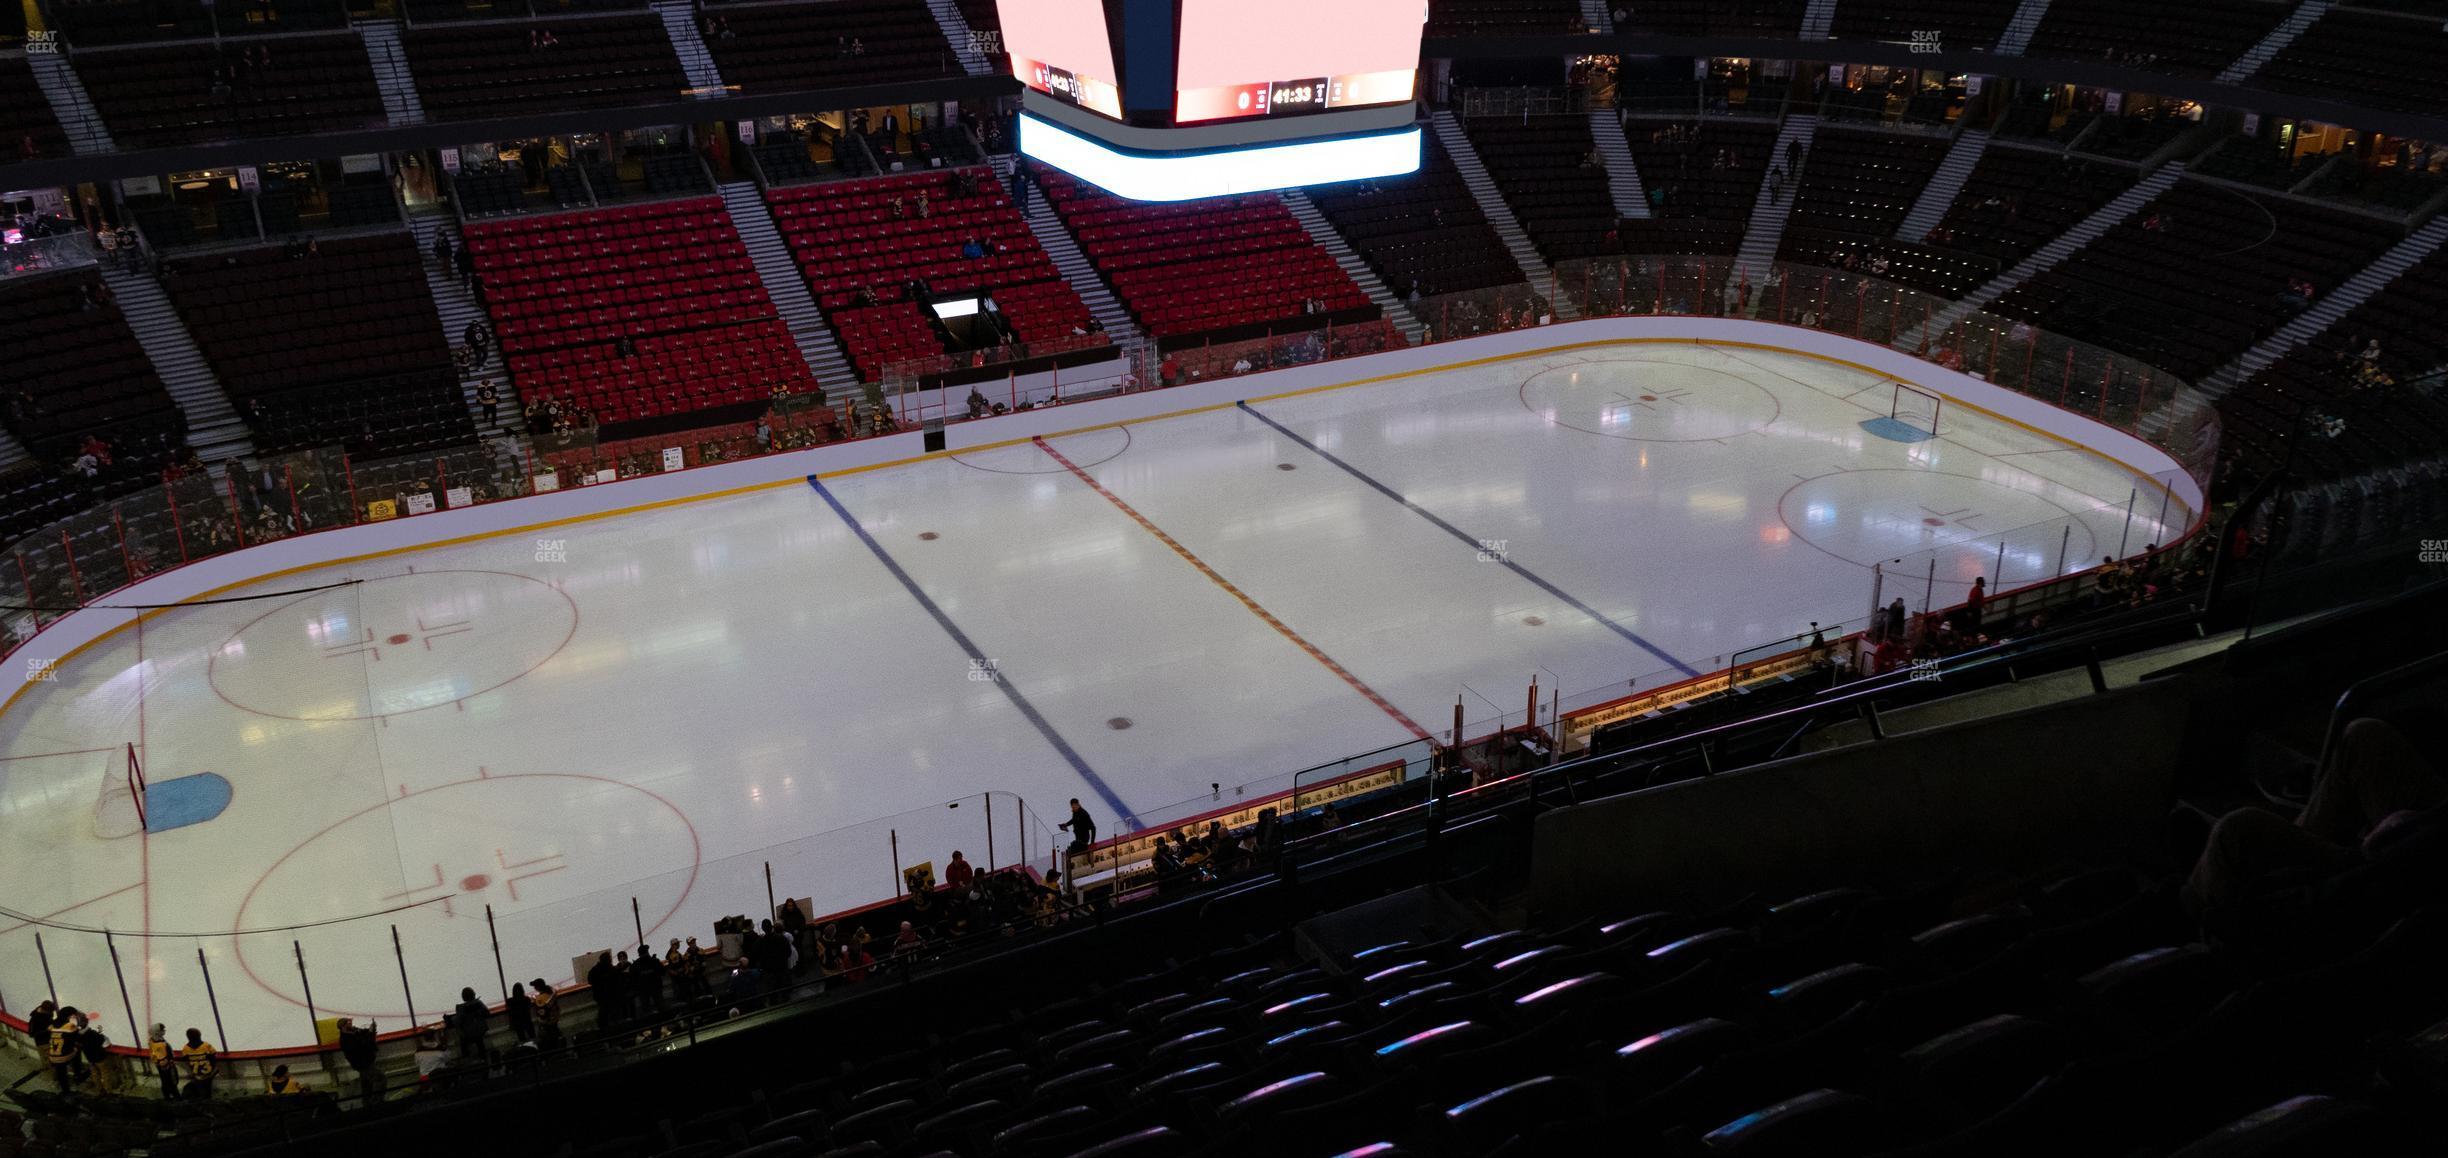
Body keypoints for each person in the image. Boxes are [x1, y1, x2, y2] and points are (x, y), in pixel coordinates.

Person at [2184, 718, 2445, 923]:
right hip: (2427, 831)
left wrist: (2409, 837)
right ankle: (2275, 868)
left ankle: (2193, 919)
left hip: (2412, 868)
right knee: (2363, 736)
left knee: (2236, 831)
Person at [337, 1017, 383, 1102]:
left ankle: (367, 1102)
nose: (351, 1024)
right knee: (380, 1079)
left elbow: (364, 1034)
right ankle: (377, 1102)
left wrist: (371, 1030)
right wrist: (370, 1033)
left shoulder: (353, 1032)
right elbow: (362, 1045)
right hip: (363, 1064)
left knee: (366, 1084)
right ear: (343, 1026)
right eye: (349, 1023)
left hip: (364, 1062)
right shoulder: (345, 1040)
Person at [44, 1006, 83, 1093]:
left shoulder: (52, 1024)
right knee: (77, 1051)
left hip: (52, 1057)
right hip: (64, 1056)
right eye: (73, 1016)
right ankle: (77, 1075)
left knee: (61, 1072)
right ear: (68, 1016)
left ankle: (65, 1090)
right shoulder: (70, 1026)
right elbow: (77, 1037)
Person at [453, 987, 488, 1063]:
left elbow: (457, 1021)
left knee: (462, 1040)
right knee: (480, 1042)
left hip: (469, 1034)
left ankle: (466, 1059)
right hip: (480, 1031)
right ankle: (484, 1059)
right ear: (473, 995)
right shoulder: (479, 1003)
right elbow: (487, 1012)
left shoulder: (461, 1008)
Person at [180, 1028, 217, 1099]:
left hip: (196, 1074)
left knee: (200, 1089)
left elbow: (185, 1058)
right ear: (200, 1036)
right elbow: (213, 1054)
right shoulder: (206, 1045)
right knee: (207, 1089)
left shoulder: (186, 1048)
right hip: (208, 1073)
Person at [148, 1023, 180, 1099]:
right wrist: (168, 1063)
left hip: (162, 1065)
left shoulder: (152, 1040)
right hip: (166, 1067)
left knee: (166, 1081)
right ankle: (175, 1097)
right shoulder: (160, 1045)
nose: (164, 1031)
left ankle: (169, 1096)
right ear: (157, 1032)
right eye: (162, 1030)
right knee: (170, 1081)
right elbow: (162, 1058)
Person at [530, 981, 562, 1050]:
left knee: (548, 1040)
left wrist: (535, 1001)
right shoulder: (551, 993)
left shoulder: (540, 998)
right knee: (556, 1037)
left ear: (537, 988)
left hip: (547, 1023)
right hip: (555, 1019)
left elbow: (542, 1012)